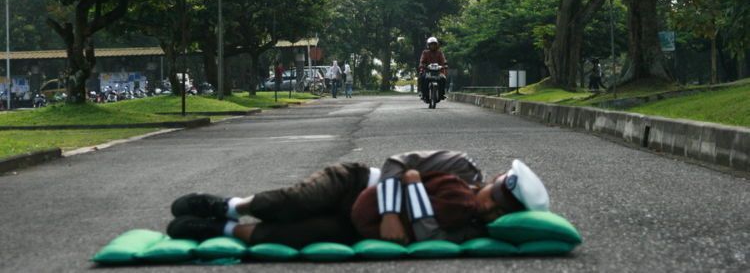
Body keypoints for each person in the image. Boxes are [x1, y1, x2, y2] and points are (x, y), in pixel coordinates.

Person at [166, 150, 549, 249]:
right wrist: (390, 214)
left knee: (293, 236)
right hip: (355, 183)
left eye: (500, 211)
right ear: (494, 181)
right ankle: (229, 205)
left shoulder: (471, 225)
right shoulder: (460, 167)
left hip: (356, 225)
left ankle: (222, 228)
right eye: (494, 198)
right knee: (287, 204)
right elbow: (398, 163)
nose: (489, 207)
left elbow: (435, 233)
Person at [418, 37, 448, 102]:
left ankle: (442, 94)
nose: (433, 46)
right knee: (423, 78)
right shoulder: (425, 52)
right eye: (431, 44)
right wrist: (422, 65)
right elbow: (422, 61)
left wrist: (444, 65)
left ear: (437, 45)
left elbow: (443, 60)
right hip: (427, 72)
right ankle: (424, 94)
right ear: (428, 45)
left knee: (443, 78)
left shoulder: (440, 53)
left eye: (434, 44)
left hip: (438, 72)